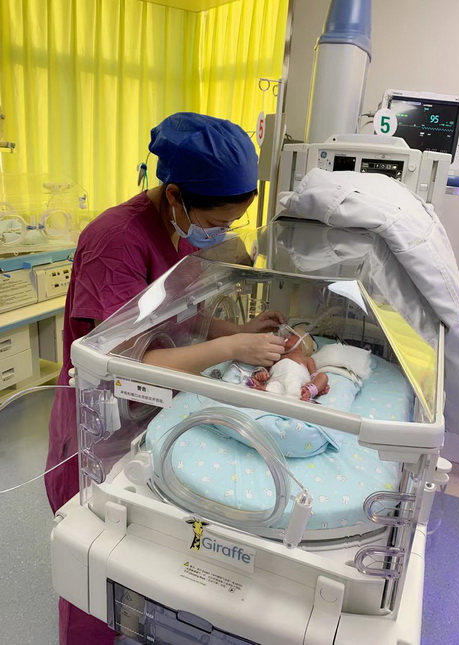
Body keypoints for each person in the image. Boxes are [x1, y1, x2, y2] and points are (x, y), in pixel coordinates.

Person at [45, 112, 286, 645]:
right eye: (216, 223)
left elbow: (181, 318)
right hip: (99, 424)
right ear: (175, 195)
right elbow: (127, 358)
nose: (218, 234)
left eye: (231, 224)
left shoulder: (181, 231)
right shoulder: (116, 241)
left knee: (144, 570)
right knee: (94, 564)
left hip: (148, 415)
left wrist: (238, 330)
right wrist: (233, 348)